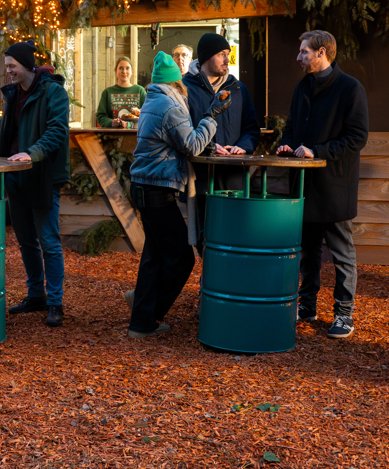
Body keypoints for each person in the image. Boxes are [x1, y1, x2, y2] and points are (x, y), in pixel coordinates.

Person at [126, 52, 232, 338]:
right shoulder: (170, 105)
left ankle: (142, 317)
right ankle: (147, 313)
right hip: (157, 189)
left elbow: (178, 142)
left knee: (154, 255)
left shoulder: (153, 99)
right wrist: (212, 116)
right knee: (182, 258)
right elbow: (192, 145)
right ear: (176, 82)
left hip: (145, 186)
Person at [276, 30, 369, 339]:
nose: (299, 57)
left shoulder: (350, 89)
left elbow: (357, 137)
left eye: (304, 52)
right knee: (309, 252)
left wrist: (319, 151)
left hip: (334, 186)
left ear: (322, 53)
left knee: (342, 254)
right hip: (304, 184)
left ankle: (344, 314)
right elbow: (291, 128)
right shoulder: (302, 87)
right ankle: (307, 305)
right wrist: (287, 145)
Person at [0, 41, 71, 327]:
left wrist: (31, 153)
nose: (8, 72)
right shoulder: (12, 94)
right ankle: (35, 295)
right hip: (14, 175)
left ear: (27, 65)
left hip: (42, 175)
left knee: (48, 241)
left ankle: (55, 302)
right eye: (6, 67)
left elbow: (58, 131)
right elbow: (0, 127)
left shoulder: (53, 92)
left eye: (11, 66)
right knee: (26, 241)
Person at [184, 32, 261, 249]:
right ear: (206, 57)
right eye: (221, 54)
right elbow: (183, 132)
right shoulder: (185, 89)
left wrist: (242, 146)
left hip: (234, 178)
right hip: (200, 178)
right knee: (204, 236)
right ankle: (209, 280)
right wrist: (208, 146)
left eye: (228, 54)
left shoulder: (238, 90)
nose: (227, 59)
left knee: (235, 233)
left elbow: (251, 128)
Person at [95, 57, 145, 128]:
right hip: (113, 136)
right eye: (121, 68)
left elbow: (147, 116)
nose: (124, 71)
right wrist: (112, 123)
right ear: (115, 71)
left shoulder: (140, 91)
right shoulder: (107, 92)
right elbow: (101, 116)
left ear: (132, 71)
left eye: (127, 68)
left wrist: (129, 125)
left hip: (135, 136)